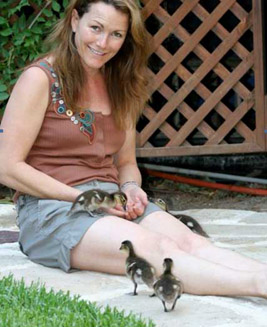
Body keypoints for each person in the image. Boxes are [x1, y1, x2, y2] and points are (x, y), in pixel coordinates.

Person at [0, 0, 266, 299]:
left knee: (192, 243)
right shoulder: (40, 79)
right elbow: (8, 167)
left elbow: (125, 162)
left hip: (112, 200)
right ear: (75, 20)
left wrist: (131, 188)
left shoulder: (120, 82)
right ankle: (257, 288)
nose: (103, 43)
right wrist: (88, 199)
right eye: (96, 28)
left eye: (116, 34)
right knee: (155, 249)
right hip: (54, 209)